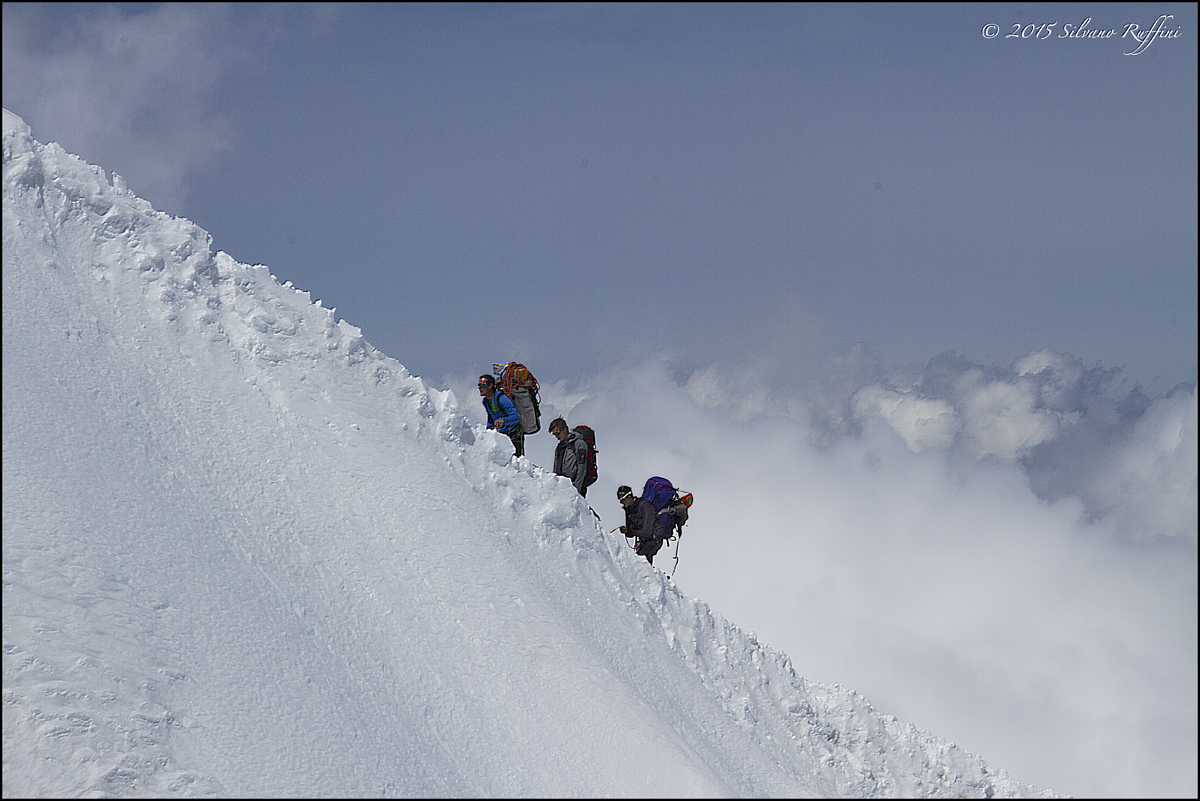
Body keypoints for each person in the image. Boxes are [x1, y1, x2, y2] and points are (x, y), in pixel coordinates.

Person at [478, 374, 524, 457]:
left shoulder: (502, 398)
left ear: (490, 385)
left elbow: (516, 417)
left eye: (481, 385)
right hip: (502, 435)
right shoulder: (486, 401)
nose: (479, 388)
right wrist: (488, 431)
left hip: (514, 434)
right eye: (479, 385)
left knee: (517, 462)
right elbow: (490, 417)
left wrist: (503, 420)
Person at [618, 485, 664, 565]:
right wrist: (627, 531)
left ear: (629, 496)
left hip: (654, 539)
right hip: (644, 541)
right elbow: (630, 533)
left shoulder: (645, 506)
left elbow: (646, 532)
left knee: (641, 563)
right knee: (641, 563)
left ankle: (652, 576)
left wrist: (630, 531)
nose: (621, 502)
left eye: (622, 499)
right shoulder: (629, 509)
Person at [550, 417, 590, 497]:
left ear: (564, 429)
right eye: (554, 434)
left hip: (575, 488)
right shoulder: (560, 447)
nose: (556, 436)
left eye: (557, 433)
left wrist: (576, 490)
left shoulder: (579, 444)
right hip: (561, 487)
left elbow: (582, 469)